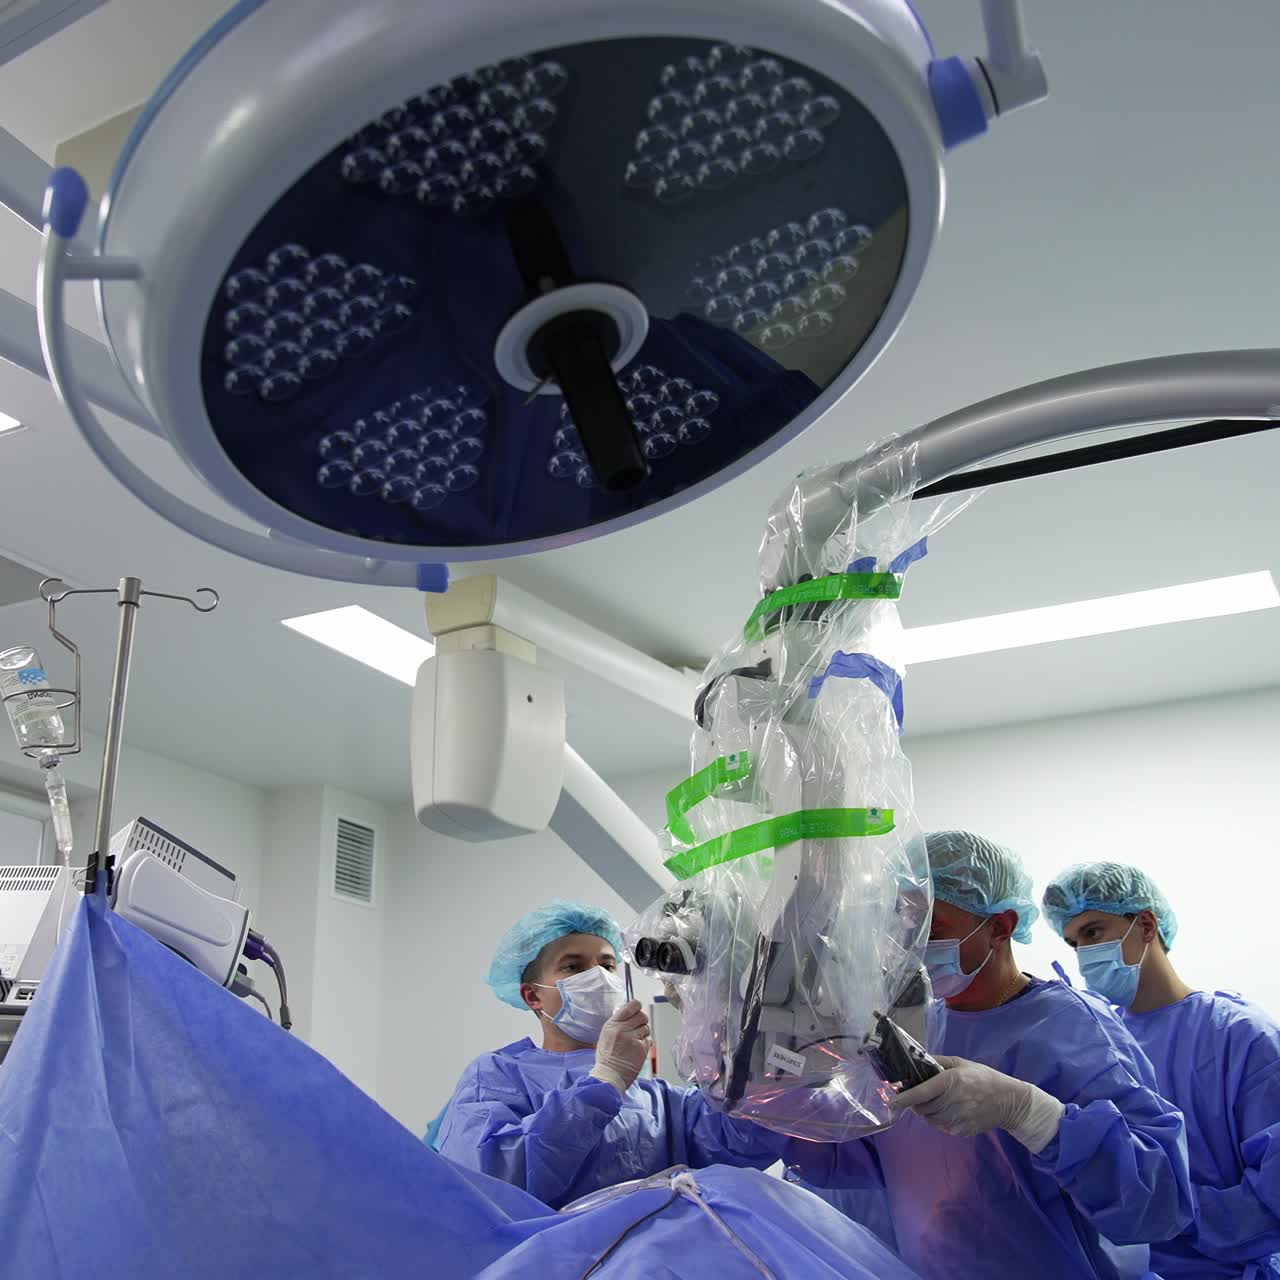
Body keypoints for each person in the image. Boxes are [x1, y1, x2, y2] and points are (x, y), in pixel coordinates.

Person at [787, 830, 1194, 1280]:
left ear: (1000, 927)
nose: (909, 945)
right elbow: (856, 1158)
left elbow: (1160, 1202)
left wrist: (1030, 1113)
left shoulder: (1073, 1028)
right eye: (901, 925)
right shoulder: (912, 1029)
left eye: (930, 928)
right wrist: (787, 1097)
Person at [437, 899, 793, 1209]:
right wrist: (605, 1081)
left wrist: (722, 1029)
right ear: (533, 996)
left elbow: (745, 1140)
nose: (598, 977)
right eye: (573, 967)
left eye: (607, 965)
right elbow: (493, 1180)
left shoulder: (657, 1099)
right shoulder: (498, 1075)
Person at [1043, 861, 1280, 1279]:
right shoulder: (1096, 1046)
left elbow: (1273, 1196)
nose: (1083, 955)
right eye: (1073, 942)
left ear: (1147, 925)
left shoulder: (1241, 1037)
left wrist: (1163, 1210)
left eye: (1093, 932)